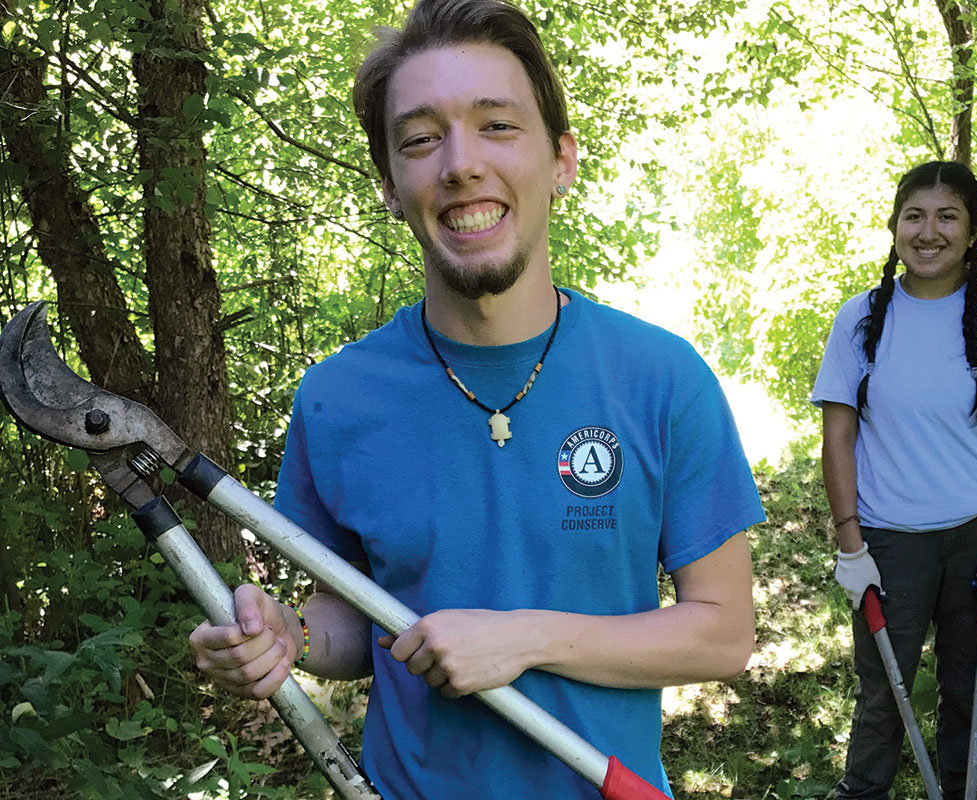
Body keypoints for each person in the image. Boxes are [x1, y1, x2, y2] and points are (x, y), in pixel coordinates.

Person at [188, 1, 764, 797]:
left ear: (561, 160)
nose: (460, 163)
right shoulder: (336, 398)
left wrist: (525, 640)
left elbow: (724, 634)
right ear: (391, 184)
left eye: (497, 125)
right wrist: (290, 637)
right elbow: (355, 620)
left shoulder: (661, 376)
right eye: (421, 140)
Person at [811, 160, 977, 799]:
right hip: (889, 541)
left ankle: (962, 787)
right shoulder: (859, 318)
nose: (929, 232)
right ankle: (862, 792)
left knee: (969, 689)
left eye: (947, 216)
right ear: (895, 226)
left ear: (975, 230)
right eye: (914, 216)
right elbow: (838, 437)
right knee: (883, 696)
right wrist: (851, 549)